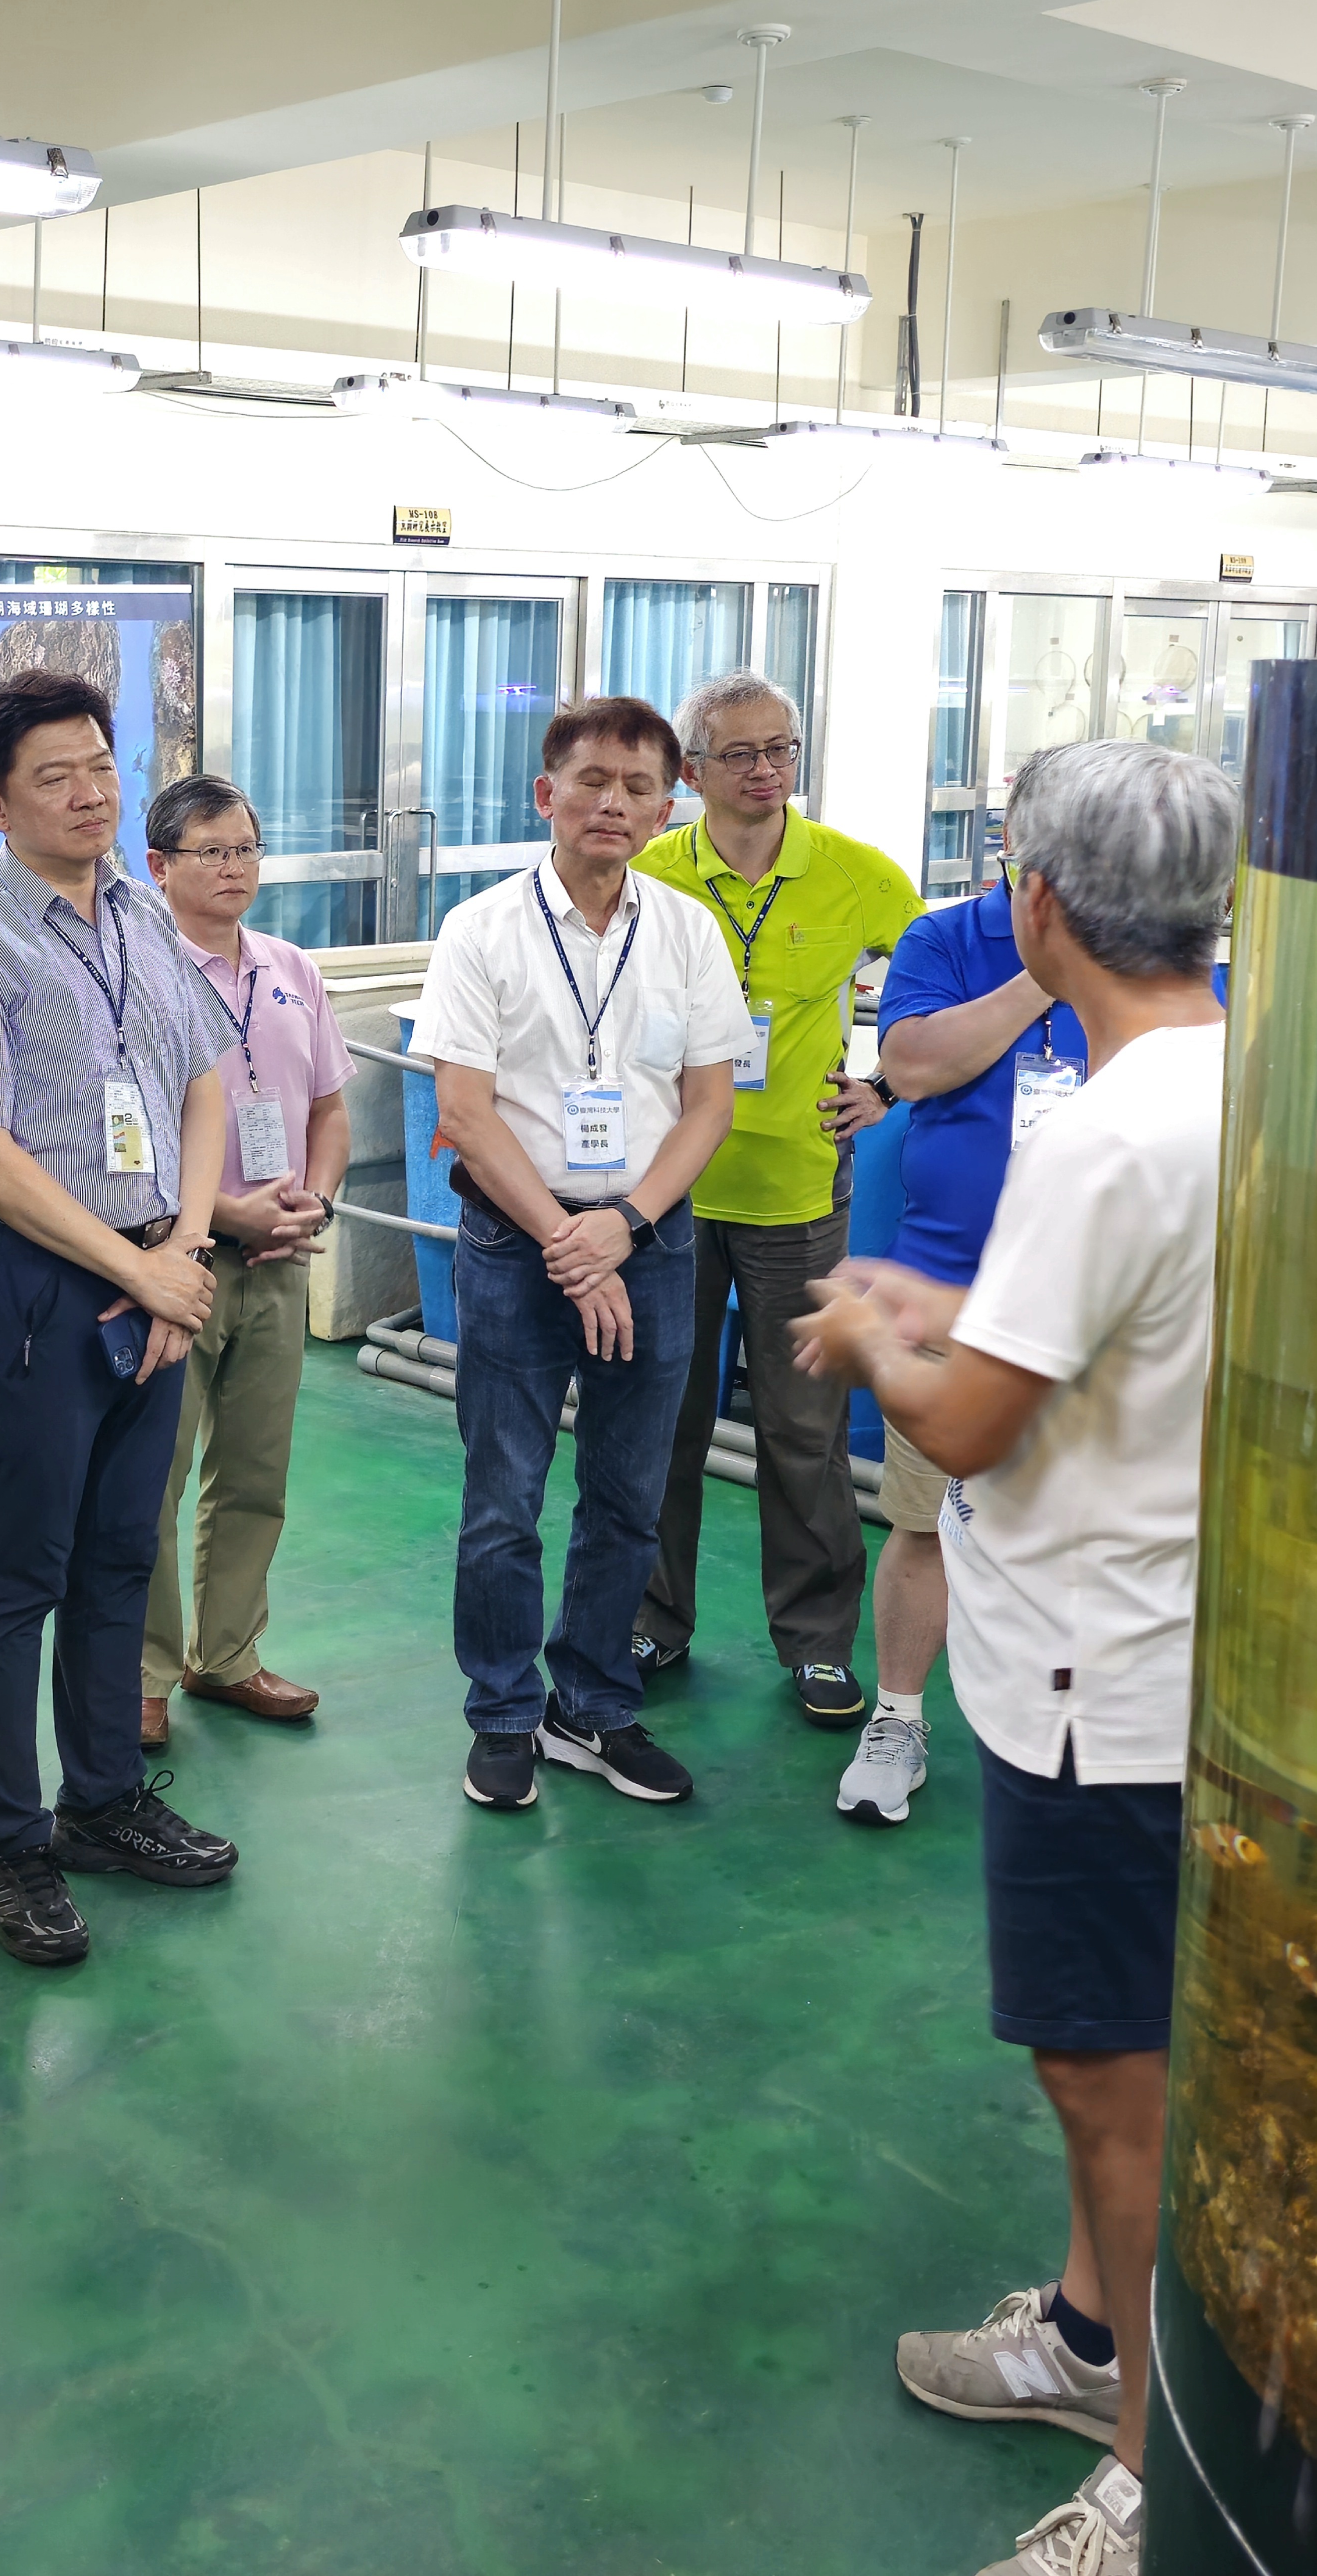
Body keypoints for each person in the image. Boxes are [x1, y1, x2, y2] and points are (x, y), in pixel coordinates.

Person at [790, 740, 1237, 2576]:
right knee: (1106, 2062)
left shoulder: (1105, 1126)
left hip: (1092, 1680)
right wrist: (952, 1317)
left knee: (1105, 2076)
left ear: (1036, 902)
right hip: (1160, 1637)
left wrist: (869, 1330)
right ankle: (1074, 2334)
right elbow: (1092, 1344)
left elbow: (967, 1430)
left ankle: (1147, 2475)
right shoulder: (1234, 1080)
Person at [0, 667, 243, 1968]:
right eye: (55, 775)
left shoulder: (145, 920)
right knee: (22, 1574)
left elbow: (205, 1086)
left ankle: (104, 1802)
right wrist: (138, 1268)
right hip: (45, 1282)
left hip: (160, 1262)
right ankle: (11, 1844)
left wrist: (190, 1248)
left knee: (119, 1555)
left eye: (100, 764)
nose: (91, 790)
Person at [412, 696, 749, 1816]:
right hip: (518, 1245)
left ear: (667, 807)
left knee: (629, 1495)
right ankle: (504, 1712)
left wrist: (626, 1229)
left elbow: (707, 1104)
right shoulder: (482, 931)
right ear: (546, 795)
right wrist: (569, 1240)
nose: (614, 802)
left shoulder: (687, 932)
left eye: (639, 786)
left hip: (647, 1241)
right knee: (503, 1495)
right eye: (592, 781)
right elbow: (462, 1104)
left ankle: (592, 1705)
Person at [628, 671, 920, 1728]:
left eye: (781, 750)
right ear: (694, 770)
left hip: (798, 1192)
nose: (764, 771)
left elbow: (938, 977)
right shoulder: (653, 867)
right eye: (741, 754)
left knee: (803, 1431)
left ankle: (813, 1644)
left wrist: (884, 1084)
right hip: (664, 1193)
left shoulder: (854, 874)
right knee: (660, 1418)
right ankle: (651, 1619)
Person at [833, 859, 1101, 1826]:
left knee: (1099, 1537)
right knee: (925, 1522)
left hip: (1103, 1300)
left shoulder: (1161, 957)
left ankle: (1079, 1738)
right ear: (1012, 850)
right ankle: (899, 1719)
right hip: (953, 1290)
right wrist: (1047, 962)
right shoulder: (946, 940)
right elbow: (909, 1067)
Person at [136, 774, 350, 1748]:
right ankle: (141, 1677)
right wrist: (223, 1211)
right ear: (159, 866)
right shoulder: (138, 977)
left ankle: (225, 1657)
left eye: (246, 850)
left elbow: (327, 1109)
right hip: (174, 1259)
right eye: (210, 851)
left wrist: (318, 1198)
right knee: (153, 1474)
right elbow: (129, 1134)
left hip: (280, 1258)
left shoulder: (291, 968)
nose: (233, 868)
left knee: (255, 1470)